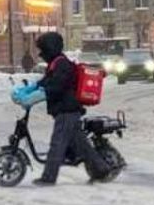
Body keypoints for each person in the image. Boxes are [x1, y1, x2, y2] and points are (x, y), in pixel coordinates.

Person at [32, 31, 111, 186]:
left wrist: (43, 90)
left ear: (50, 48)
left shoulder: (61, 63)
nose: (41, 53)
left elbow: (57, 84)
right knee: (81, 145)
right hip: (67, 110)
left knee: (57, 144)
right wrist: (36, 86)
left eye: (43, 49)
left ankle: (48, 177)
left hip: (66, 111)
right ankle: (101, 170)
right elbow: (49, 80)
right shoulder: (56, 63)